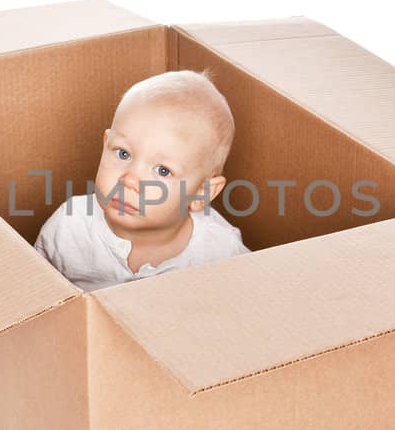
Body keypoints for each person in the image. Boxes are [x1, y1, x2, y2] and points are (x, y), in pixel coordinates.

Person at [34, 69, 250, 292]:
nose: (130, 180)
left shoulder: (221, 251)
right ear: (106, 145)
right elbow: (32, 294)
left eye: (163, 171)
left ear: (201, 193)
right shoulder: (69, 226)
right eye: (123, 153)